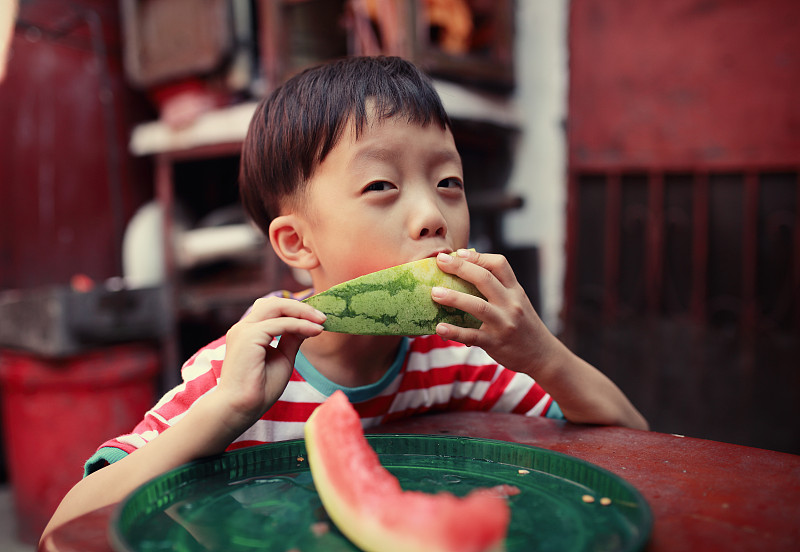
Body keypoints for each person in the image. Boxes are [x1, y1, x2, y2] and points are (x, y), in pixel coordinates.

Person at [42, 56, 647, 540]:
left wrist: (538, 351)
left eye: (449, 183)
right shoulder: (237, 373)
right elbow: (63, 526)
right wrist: (224, 412)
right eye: (381, 185)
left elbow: (629, 431)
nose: (432, 216)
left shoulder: (458, 356)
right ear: (297, 242)